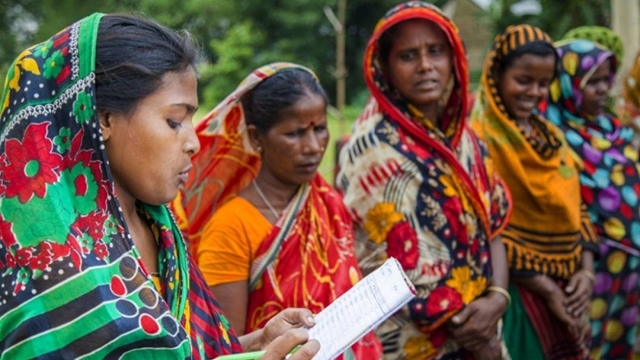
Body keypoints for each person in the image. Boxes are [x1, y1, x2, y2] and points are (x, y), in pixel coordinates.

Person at [0, 13, 320, 359]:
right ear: (102, 118)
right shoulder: (44, 262)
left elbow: (180, 351)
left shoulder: (159, 228)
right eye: (174, 121)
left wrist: (257, 344)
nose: (194, 142)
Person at [336, 2, 512, 359]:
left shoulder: (468, 140)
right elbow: (378, 263)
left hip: (484, 324)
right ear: (384, 67)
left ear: (454, 59)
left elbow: (493, 229)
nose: (425, 66)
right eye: (408, 56)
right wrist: (479, 339)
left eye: (435, 51)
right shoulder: (371, 150)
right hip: (411, 341)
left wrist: (497, 298)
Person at [172, 62, 382, 359]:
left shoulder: (327, 201)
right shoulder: (231, 226)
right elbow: (225, 347)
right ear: (257, 138)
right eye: (295, 134)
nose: (313, 147)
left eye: (320, 129)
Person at [469, 26, 598, 360]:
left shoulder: (551, 137)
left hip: (567, 288)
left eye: (544, 83)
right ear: (497, 75)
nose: (535, 92)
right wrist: (548, 289)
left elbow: (577, 208)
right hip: (512, 293)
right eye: (523, 80)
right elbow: (488, 229)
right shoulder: (478, 140)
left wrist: (586, 272)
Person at [540, 39, 640, 360]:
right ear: (567, 83)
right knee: (587, 345)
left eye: (605, 80)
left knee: (623, 343)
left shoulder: (614, 129)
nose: (602, 90)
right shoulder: (552, 136)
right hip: (589, 268)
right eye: (591, 82)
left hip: (630, 266)